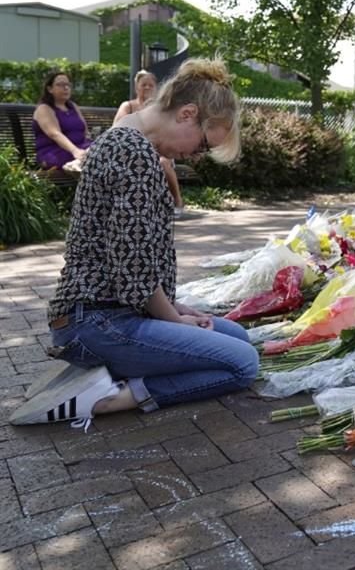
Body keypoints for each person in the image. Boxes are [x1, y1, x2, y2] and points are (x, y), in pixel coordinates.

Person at [12, 58, 257, 428]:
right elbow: (134, 273)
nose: (196, 155)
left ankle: (104, 372)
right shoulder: (135, 153)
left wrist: (178, 309)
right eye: (204, 145)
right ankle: (105, 398)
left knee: (237, 336)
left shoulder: (127, 139)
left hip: (106, 311)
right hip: (96, 320)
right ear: (188, 114)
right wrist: (175, 319)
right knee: (242, 364)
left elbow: (131, 256)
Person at [114, 70, 184, 210]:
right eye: (143, 85)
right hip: (131, 152)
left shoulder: (161, 109)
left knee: (163, 162)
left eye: (150, 85)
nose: (147, 88)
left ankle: (177, 201)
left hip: (160, 152)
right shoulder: (128, 106)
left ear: (156, 88)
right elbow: (117, 128)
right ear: (136, 87)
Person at [31, 72, 93, 169]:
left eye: (68, 85)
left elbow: (85, 131)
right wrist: (75, 151)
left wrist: (90, 146)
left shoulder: (73, 106)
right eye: (60, 84)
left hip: (81, 148)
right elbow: (55, 134)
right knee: (94, 159)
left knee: (105, 151)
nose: (66, 88)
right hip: (54, 152)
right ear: (49, 89)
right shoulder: (44, 109)